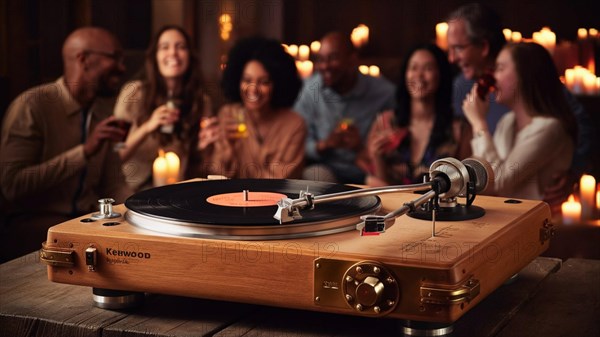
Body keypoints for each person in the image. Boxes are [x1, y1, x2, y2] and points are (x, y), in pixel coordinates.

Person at [0, 27, 133, 262]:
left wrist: (149, 211)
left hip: (89, 229)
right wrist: (83, 152)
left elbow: (114, 185)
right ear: (83, 59)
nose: (122, 67)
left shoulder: (102, 114)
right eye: (115, 57)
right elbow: (12, 185)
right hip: (34, 236)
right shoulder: (32, 105)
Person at [447, 3, 592, 209]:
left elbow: (579, 124)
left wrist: (573, 172)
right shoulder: (465, 87)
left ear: (484, 47)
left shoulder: (532, 79)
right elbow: (488, 171)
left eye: (459, 48)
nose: (452, 58)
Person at [463, 42, 577, 200]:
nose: (494, 77)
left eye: (500, 69)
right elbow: (484, 179)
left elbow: (499, 182)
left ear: (525, 74)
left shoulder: (550, 128)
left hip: (539, 222)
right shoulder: (507, 122)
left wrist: (478, 123)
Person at [113, 25, 212, 191]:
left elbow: (201, 170)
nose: (173, 53)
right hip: (132, 192)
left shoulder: (201, 102)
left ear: (190, 56)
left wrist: (207, 148)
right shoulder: (133, 93)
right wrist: (147, 127)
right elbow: (116, 154)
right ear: (155, 56)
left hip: (176, 193)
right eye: (164, 47)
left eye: (181, 47)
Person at [294, 31, 396, 184]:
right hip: (327, 169)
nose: (325, 66)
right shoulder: (310, 90)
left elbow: (398, 144)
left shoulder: (383, 93)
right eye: (320, 59)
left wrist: (361, 146)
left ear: (353, 60)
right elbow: (296, 141)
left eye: (333, 58)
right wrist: (324, 145)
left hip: (368, 170)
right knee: (315, 176)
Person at [198, 37, 305, 179]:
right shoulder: (229, 115)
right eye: (247, 80)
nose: (253, 89)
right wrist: (226, 151)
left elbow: (278, 183)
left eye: (264, 82)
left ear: (278, 84)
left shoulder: (294, 125)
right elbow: (216, 178)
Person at [361, 44, 456, 186]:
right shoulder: (385, 122)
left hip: (440, 207)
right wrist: (377, 156)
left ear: (441, 74)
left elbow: (466, 185)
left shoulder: (458, 128)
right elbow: (376, 185)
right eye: (413, 68)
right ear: (405, 74)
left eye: (428, 68)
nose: (419, 75)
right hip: (394, 205)